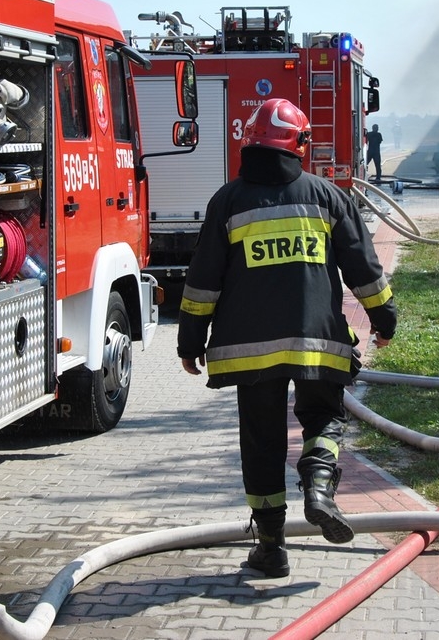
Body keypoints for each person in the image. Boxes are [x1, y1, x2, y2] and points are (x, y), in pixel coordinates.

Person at [178, 98, 397, 578]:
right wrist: (384, 317)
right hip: (318, 342)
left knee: (261, 443)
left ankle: (271, 548)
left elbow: (203, 278)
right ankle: (319, 486)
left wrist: (190, 339)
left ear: (249, 143)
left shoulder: (228, 201)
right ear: (300, 144)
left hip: (248, 350)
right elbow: (364, 267)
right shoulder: (328, 197)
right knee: (323, 416)